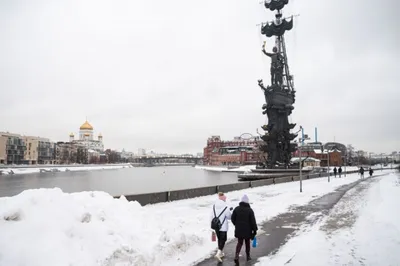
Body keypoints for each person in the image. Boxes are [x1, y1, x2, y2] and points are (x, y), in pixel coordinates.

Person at [231, 194, 258, 264]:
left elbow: (232, 218)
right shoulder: (250, 210)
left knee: (239, 242)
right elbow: (253, 221)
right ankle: (248, 256)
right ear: (247, 202)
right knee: (247, 243)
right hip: (247, 230)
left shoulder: (236, 209)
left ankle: (236, 256)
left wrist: (236, 224)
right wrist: (254, 230)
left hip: (239, 229)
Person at [210, 192, 232, 262]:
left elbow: (211, 216)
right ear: (224, 199)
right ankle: (218, 253)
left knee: (219, 239)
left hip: (216, 226)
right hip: (223, 227)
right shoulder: (225, 207)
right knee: (223, 239)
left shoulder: (214, 206)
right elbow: (229, 217)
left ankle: (221, 253)